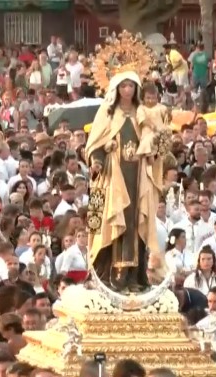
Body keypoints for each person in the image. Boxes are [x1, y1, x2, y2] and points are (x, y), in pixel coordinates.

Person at [85, 68, 161, 293]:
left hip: (138, 177)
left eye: (131, 86)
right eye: (123, 86)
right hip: (111, 177)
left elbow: (156, 144)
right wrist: (98, 158)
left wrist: (153, 149)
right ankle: (107, 272)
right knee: (108, 221)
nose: (127, 90)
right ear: (116, 89)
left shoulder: (143, 114)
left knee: (137, 222)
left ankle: (134, 276)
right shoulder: (107, 112)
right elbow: (93, 144)